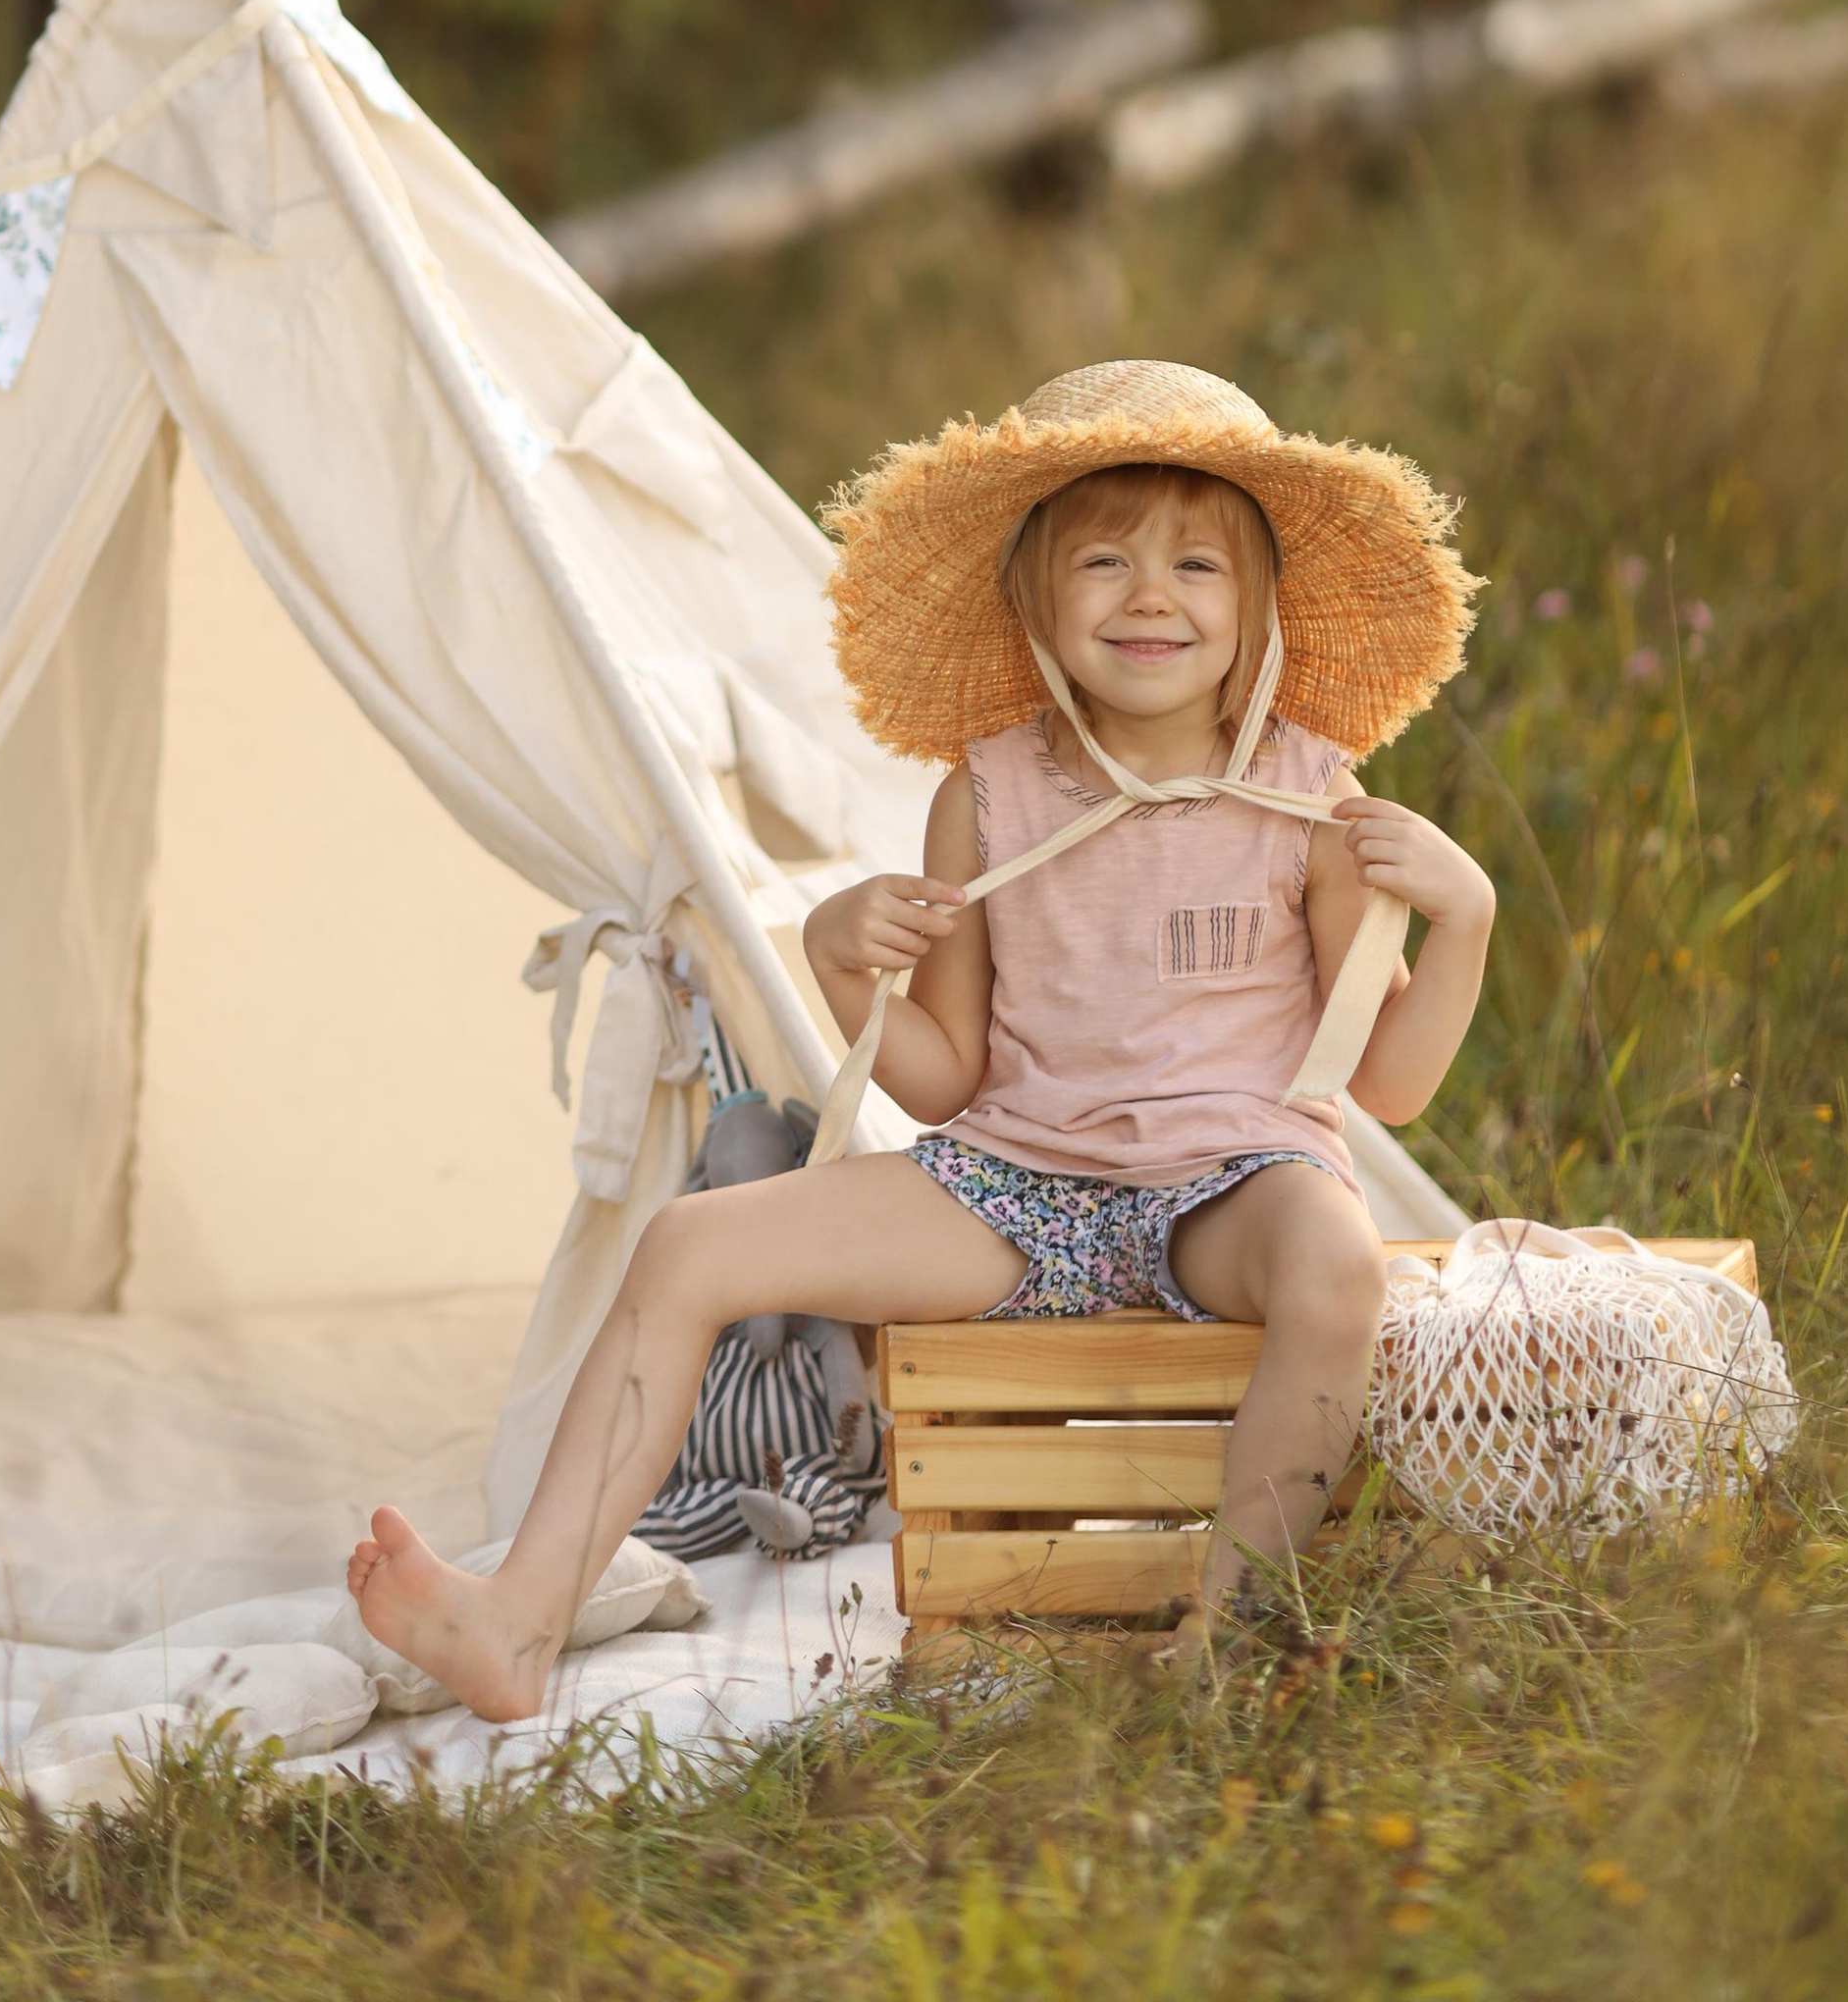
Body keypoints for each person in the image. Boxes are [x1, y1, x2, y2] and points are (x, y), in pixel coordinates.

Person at [350, 358, 1490, 1719]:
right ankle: (517, 1626)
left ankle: (1231, 1636)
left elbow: (1394, 1086)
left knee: (1338, 1264)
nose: (1149, 595)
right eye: (1104, 561)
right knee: (688, 1243)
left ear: (1255, 613)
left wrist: (1464, 918)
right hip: (1017, 1184)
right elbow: (947, 1074)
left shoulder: (1313, 801)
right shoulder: (990, 797)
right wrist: (844, 969)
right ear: (1034, 602)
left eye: (1197, 565)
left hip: (1230, 1182)